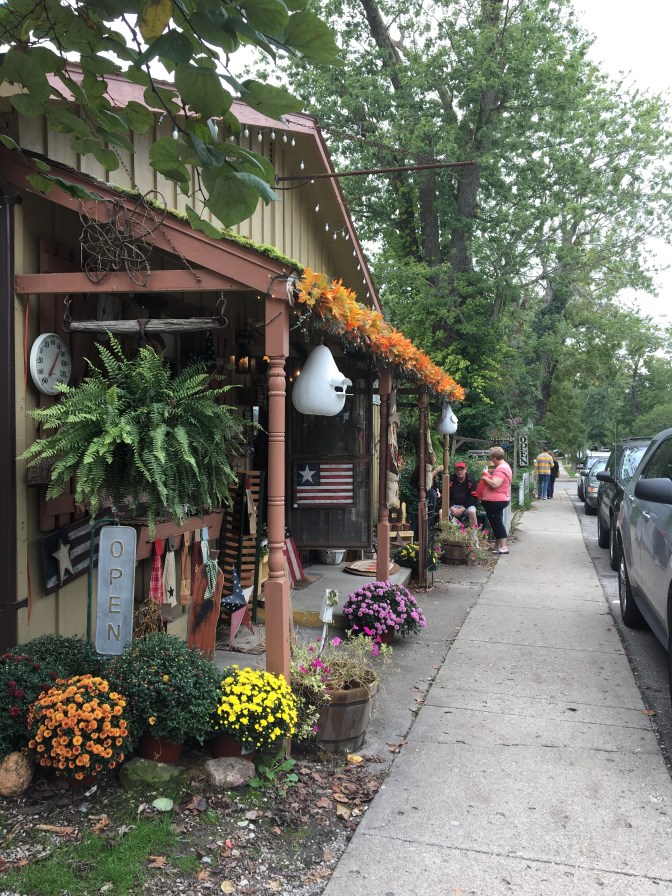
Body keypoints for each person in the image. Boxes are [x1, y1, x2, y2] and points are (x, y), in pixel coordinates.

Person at [480, 446, 512, 554]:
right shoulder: (505, 466)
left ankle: (504, 547)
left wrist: (485, 478)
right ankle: (497, 546)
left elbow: (495, 484)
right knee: (496, 522)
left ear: (494, 457)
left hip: (495, 501)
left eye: (491, 457)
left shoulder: (501, 468)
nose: (491, 460)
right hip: (498, 499)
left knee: (497, 523)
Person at [449, 462, 478, 528]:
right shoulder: (450, 480)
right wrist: (451, 507)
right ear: (455, 471)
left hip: (467, 506)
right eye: (457, 470)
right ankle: (445, 533)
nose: (459, 472)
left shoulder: (471, 480)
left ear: (465, 470)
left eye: (461, 469)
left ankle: (474, 533)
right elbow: (445, 495)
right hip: (452, 506)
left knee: (472, 511)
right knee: (441, 512)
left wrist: (463, 508)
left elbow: (473, 497)